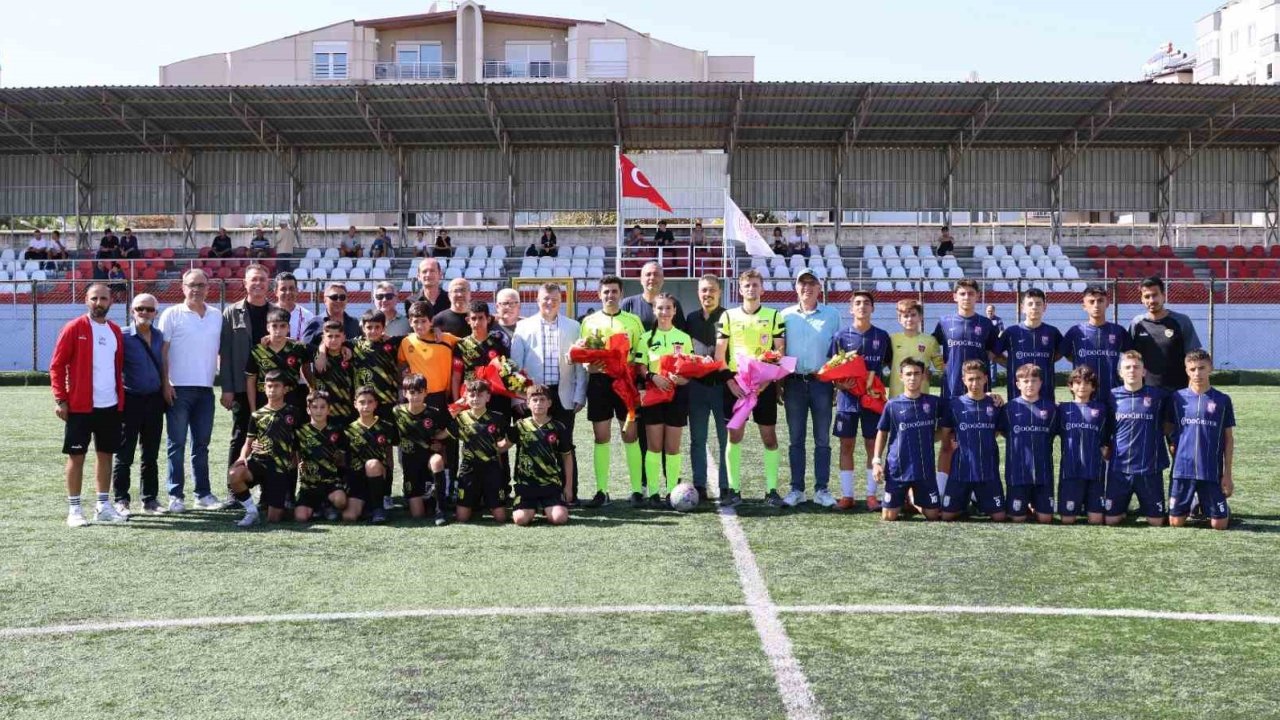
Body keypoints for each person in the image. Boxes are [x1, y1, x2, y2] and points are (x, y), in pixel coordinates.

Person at [51, 283, 127, 527]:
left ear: (110, 302)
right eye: (94, 298)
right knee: (77, 456)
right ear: (86, 300)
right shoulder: (74, 328)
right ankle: (74, 509)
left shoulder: (115, 330)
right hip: (80, 407)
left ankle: (103, 506)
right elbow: (56, 365)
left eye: (103, 299)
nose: (99, 303)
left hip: (110, 405)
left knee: (106, 455)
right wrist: (61, 399)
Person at [716, 268, 785, 508]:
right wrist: (730, 382)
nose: (751, 289)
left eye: (756, 285)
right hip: (737, 384)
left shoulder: (774, 316)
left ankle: (772, 490)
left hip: (764, 385)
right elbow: (719, 354)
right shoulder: (728, 316)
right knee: (734, 436)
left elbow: (779, 352)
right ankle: (734, 490)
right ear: (740, 289)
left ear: (762, 288)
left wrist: (766, 381)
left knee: (769, 437)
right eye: (747, 285)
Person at [512, 283, 586, 502]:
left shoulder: (573, 326)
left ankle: (568, 494)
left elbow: (581, 365)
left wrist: (579, 395)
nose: (549, 302)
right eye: (545, 298)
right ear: (537, 300)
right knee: (529, 444)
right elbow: (515, 366)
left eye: (554, 299)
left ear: (560, 301)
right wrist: (518, 397)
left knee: (565, 444)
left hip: (563, 394)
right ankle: (525, 494)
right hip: (533, 397)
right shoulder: (524, 327)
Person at [575, 275, 645, 508]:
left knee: (630, 435)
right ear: (599, 294)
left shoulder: (633, 321)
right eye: (606, 292)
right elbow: (583, 352)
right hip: (599, 384)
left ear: (621, 294)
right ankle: (601, 491)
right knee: (601, 436)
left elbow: (640, 352)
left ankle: (636, 490)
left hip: (626, 382)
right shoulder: (589, 321)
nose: (610, 296)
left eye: (614, 291)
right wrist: (588, 365)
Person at [157, 269, 223, 512]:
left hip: (205, 390)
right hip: (178, 389)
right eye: (191, 284)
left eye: (201, 285)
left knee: (201, 445)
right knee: (176, 444)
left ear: (208, 287)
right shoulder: (171, 314)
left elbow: (221, 352)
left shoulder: (216, 315)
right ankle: (176, 495)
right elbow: (162, 352)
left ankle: (202, 494)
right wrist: (166, 383)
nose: (196, 289)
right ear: (183, 287)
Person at [779, 268, 840, 508]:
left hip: (822, 383)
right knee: (796, 439)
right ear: (796, 288)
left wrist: (837, 383)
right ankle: (797, 489)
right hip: (794, 383)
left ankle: (821, 489)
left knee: (822, 439)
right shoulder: (785, 315)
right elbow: (780, 352)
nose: (807, 288)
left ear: (819, 288)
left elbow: (838, 352)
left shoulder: (832, 315)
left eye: (811, 283)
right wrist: (779, 384)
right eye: (802, 283)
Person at [932, 279, 997, 500]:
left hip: (978, 394)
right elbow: (933, 349)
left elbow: (992, 353)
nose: (966, 297)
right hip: (951, 392)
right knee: (947, 442)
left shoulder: (987, 325)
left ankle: (975, 493)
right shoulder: (944, 322)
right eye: (962, 293)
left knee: (976, 443)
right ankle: (941, 492)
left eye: (971, 293)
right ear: (955, 296)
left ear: (977, 296)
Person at [830, 291, 893, 511]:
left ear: (873, 309)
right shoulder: (841, 336)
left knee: (871, 445)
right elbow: (831, 369)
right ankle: (847, 496)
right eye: (857, 303)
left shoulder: (882, 337)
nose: (862, 306)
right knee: (846, 445)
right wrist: (840, 385)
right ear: (851, 309)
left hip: (873, 401)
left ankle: (871, 495)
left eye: (867, 303)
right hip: (847, 400)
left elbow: (889, 366)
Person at [112, 294, 167, 516]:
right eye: (139, 308)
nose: (144, 313)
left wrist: (166, 387)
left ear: (156, 312)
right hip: (129, 400)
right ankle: (121, 500)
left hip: (154, 400)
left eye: (149, 309)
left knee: (151, 453)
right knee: (124, 453)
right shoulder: (122, 336)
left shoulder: (160, 336)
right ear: (132, 311)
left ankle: (150, 500)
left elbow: (163, 365)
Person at [1167, 349, 1235, 531]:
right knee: (1175, 523)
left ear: (1210, 368)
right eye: (1192, 369)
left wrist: (1227, 474)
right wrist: (1173, 444)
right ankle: (1194, 504)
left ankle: (1213, 507)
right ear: (1186, 370)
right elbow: (1168, 428)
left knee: (1219, 525)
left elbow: (1228, 439)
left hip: (1211, 470)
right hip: (1182, 470)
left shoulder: (1222, 400)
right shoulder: (1176, 398)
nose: (1197, 373)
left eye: (1201, 368)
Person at [226, 370, 302, 527]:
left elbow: (299, 443)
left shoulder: (293, 413)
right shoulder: (257, 415)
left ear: (285, 389)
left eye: (276, 386)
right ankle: (252, 512)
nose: (272, 390)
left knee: (274, 518)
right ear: (264, 388)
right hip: (259, 462)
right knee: (234, 474)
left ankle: (276, 502)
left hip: (280, 468)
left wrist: (298, 461)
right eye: (269, 386)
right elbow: (248, 443)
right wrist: (241, 458)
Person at [639, 293, 693, 507]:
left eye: (668, 308)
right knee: (653, 446)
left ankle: (672, 491)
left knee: (672, 447)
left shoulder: (684, 337)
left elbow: (690, 367)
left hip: (677, 397)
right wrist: (653, 377)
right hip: (654, 396)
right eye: (660, 308)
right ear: (654, 310)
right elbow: (640, 366)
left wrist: (683, 379)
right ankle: (653, 492)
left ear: (674, 311)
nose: (664, 312)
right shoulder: (645, 338)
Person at [220, 264, 277, 469]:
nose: (258, 283)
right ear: (245, 283)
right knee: (240, 435)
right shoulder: (231, 312)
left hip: (271, 387)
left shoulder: (277, 313)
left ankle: (268, 492)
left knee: (272, 436)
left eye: (262, 279)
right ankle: (234, 490)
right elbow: (225, 353)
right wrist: (227, 388)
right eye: (254, 279)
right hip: (241, 387)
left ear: (268, 283)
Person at [1105, 351, 1170, 527]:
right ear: (1120, 372)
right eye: (1127, 367)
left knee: (1156, 522)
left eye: (1136, 367)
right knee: (1111, 520)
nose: (1132, 370)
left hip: (1149, 468)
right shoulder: (1111, 396)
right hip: (1120, 468)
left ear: (1144, 372)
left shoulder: (1159, 396)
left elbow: (1169, 424)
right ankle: (1123, 506)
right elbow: (1106, 428)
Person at [871, 358, 942, 522]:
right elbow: (882, 432)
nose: (912, 378)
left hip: (924, 469)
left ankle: (912, 500)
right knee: (889, 517)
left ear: (923, 376)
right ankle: (906, 497)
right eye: (908, 374)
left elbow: (959, 405)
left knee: (932, 516)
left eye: (917, 373)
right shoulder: (892, 404)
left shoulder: (933, 402)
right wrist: (876, 462)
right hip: (898, 469)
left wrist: (990, 395)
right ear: (901, 376)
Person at [937, 360, 1006, 522]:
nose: (974, 383)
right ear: (963, 380)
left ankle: (977, 500)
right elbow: (945, 437)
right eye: (970, 379)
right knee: (946, 516)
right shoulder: (954, 404)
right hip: (960, 471)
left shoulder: (995, 404)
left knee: (1000, 517)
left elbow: (996, 431)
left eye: (978, 378)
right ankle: (964, 503)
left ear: (985, 379)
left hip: (987, 471)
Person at [685, 275, 729, 503]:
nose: (707, 294)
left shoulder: (729, 317)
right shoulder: (690, 319)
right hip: (697, 388)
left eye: (711, 290)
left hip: (723, 388)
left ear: (719, 292)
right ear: (698, 293)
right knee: (697, 439)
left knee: (726, 440)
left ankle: (725, 486)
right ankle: (700, 484)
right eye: (703, 290)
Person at [998, 364, 1057, 524]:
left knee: (1046, 519)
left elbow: (1054, 432)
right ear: (1018, 384)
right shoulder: (1008, 408)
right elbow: (1003, 431)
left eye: (1034, 380)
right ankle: (1026, 506)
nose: (1030, 384)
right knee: (1017, 519)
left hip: (1043, 472)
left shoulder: (1051, 409)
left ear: (1041, 383)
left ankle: (1035, 506)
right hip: (1017, 473)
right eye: (1025, 381)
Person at [448, 380, 511, 523]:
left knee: (501, 517)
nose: (475, 399)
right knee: (462, 518)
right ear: (466, 397)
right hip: (468, 469)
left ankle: (489, 503)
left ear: (488, 397)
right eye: (472, 395)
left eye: (480, 395)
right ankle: (473, 504)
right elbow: (443, 434)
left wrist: (499, 448)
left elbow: (510, 438)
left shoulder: (497, 417)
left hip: (491, 467)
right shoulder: (460, 417)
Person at [1053, 365, 1108, 525]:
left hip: (1095, 470)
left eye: (1087, 383)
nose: (1082, 387)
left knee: (1096, 520)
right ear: (1070, 386)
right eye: (1077, 383)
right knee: (1067, 519)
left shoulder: (1101, 409)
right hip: (1070, 470)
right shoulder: (1062, 409)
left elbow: (1106, 436)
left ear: (1093, 387)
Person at [511, 385, 574, 526]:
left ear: (549, 403)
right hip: (526, 486)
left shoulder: (558, 427)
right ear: (528, 403)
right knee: (521, 520)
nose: (538, 403)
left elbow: (567, 456)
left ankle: (548, 508)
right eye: (534, 400)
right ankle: (533, 508)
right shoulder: (520, 426)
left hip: (550, 485)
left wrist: (568, 487)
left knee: (559, 518)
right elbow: (502, 446)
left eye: (542, 400)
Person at [393, 374, 450, 525]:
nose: (416, 396)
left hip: (428, 461)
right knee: (418, 515)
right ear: (404, 393)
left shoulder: (434, 412)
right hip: (410, 464)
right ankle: (427, 499)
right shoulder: (397, 412)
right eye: (412, 392)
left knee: (437, 461)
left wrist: (451, 431)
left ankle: (440, 510)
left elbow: (440, 435)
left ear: (426, 392)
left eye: (419, 392)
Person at [1129, 276, 1203, 391]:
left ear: (1163, 296)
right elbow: (1130, 358)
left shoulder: (1182, 321)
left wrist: (1192, 387)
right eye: (1147, 296)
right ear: (1142, 299)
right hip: (1146, 392)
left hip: (1178, 390)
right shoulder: (1137, 323)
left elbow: (1193, 357)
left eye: (1155, 295)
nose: (1151, 300)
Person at [1060, 286, 1131, 399]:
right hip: (1084, 396)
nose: (1096, 305)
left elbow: (1131, 356)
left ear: (1107, 303)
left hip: (1113, 394)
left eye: (1100, 301)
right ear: (1084, 306)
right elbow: (1064, 354)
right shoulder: (1075, 331)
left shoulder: (1118, 331)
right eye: (1091, 301)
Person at [294, 390, 352, 523]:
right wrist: (299, 464)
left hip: (330, 483)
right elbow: (295, 454)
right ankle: (317, 508)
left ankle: (328, 505)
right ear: (308, 410)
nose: (318, 411)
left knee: (341, 501)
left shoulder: (337, 431)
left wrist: (338, 459)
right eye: (314, 407)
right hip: (309, 485)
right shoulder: (300, 432)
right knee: (300, 517)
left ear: (329, 410)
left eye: (322, 407)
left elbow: (343, 460)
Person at [994, 289, 1061, 401]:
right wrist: (1010, 364)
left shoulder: (1052, 332)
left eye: (1038, 304)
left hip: (1045, 393)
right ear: (1022, 308)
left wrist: (1048, 360)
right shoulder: (1011, 332)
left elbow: (1063, 352)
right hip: (1017, 394)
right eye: (1030, 304)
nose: (1034, 307)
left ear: (1045, 307)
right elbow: (995, 354)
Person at [346, 385, 398, 523]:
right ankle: (366, 506)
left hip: (377, 474)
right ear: (355, 404)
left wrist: (388, 484)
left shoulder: (386, 426)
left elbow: (389, 457)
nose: (366, 406)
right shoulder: (348, 429)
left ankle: (378, 508)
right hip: (357, 479)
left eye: (370, 402)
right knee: (349, 516)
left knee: (372, 464)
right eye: (362, 402)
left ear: (376, 404)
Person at [244, 308, 313, 413]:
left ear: (288, 328)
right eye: (274, 326)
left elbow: (322, 352)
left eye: (282, 326)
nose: (278, 331)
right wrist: (253, 411)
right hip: (265, 403)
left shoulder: (298, 348)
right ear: (268, 327)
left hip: (292, 403)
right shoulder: (257, 351)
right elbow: (251, 381)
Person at [452, 301, 512, 416]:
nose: (477, 322)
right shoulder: (461, 345)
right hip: (472, 397)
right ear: (468, 320)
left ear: (488, 319)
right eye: (473, 318)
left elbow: (508, 370)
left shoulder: (498, 342)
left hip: (497, 398)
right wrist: (457, 402)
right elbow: (456, 376)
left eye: (481, 318)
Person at [398, 301, 460, 410]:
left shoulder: (445, 338)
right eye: (415, 321)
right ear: (410, 322)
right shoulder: (406, 342)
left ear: (431, 321)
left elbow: (470, 344)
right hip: (416, 395)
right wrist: (405, 373)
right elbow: (402, 364)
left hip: (441, 395)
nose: (420, 325)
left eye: (423, 321)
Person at [889, 299, 944, 398]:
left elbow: (941, 368)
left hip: (922, 397)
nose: (909, 319)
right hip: (896, 396)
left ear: (920, 317)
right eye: (906, 316)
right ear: (899, 319)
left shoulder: (930, 341)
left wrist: (931, 374)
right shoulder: (892, 339)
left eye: (913, 315)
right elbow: (883, 364)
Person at [310, 321, 356, 428]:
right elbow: (296, 344)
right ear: (323, 337)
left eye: (337, 336)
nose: (333, 340)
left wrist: (346, 346)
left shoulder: (351, 354)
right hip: (323, 413)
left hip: (347, 412)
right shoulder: (315, 354)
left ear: (343, 337)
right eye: (330, 336)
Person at [621, 261, 686, 332]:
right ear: (641, 280)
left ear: (663, 279)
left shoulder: (673, 304)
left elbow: (681, 333)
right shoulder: (628, 304)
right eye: (648, 274)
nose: (652, 278)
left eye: (656, 274)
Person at [301, 282, 362, 348]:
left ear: (346, 300)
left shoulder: (354, 323)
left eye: (342, 297)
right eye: (334, 297)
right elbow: (305, 349)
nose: (338, 301)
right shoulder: (315, 323)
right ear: (325, 300)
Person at [273, 272, 314, 341]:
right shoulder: (267, 313)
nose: (288, 292)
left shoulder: (308, 316)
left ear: (297, 291)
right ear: (275, 292)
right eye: (283, 289)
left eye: (291, 288)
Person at [985, 304, 1005, 385]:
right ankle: (985, 380)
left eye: (991, 311)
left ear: (994, 311)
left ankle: (993, 382)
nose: (990, 312)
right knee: (984, 362)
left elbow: (1002, 331)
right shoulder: (983, 320)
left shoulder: (998, 320)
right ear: (986, 312)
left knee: (993, 362)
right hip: (985, 343)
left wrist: (997, 339)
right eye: (988, 311)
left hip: (994, 344)